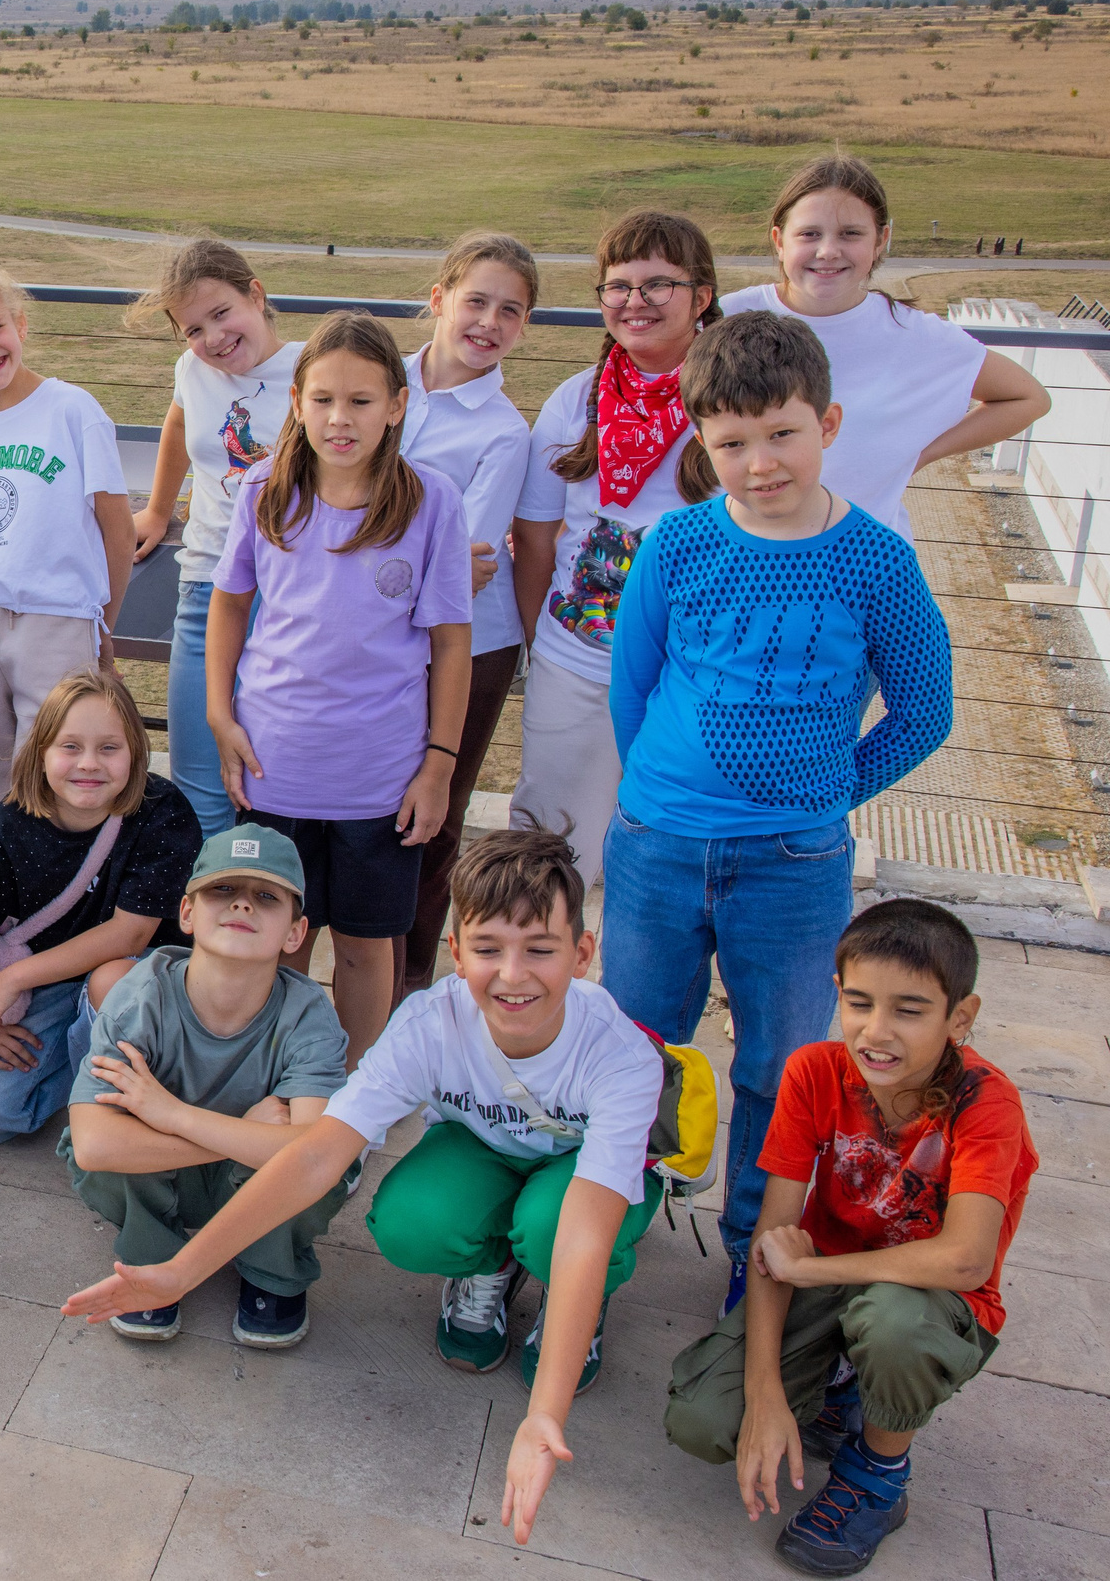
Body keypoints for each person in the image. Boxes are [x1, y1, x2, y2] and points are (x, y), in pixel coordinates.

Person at [64, 830, 666, 1550]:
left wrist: (544, 1416)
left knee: (550, 1229)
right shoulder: (428, 1023)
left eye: (540, 949)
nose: (512, 975)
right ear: (455, 949)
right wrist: (178, 1274)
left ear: (583, 953)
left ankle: (575, 1310)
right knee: (411, 1220)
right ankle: (488, 1269)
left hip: (576, 1177)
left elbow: (585, 1232)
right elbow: (316, 1158)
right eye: (487, 948)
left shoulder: (622, 1055)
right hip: (487, 1151)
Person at [604, 310, 954, 1308]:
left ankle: (756, 1257)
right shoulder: (674, 543)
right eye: (731, 444)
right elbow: (633, 690)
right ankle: (606, 1232)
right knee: (636, 1045)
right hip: (656, 845)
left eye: (781, 434)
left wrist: (824, 793)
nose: (760, 463)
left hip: (792, 863)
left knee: (783, 1061)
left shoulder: (874, 559)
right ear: (702, 445)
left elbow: (923, 711)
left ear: (828, 422)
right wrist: (658, 795)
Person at [665, 899, 1035, 1578]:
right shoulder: (813, 1070)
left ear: (961, 1017)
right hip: (829, 1283)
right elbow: (777, 1241)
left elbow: (965, 1258)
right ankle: (838, 1392)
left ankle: (879, 1476)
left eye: (909, 1010)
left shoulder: (987, 1103)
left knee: (892, 1322)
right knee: (702, 1420)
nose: (877, 1030)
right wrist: (766, 1395)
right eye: (859, 1003)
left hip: (932, 1302)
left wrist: (815, 1273)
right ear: (836, 994)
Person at [208, 312, 472, 1054]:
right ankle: (275, 1080)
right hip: (275, 767)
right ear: (296, 402)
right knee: (277, 940)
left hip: (379, 778)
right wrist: (218, 715)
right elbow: (229, 604)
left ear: (398, 405)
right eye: (323, 399)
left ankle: (354, 1099)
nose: (340, 418)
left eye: (361, 401)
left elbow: (452, 643)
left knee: (365, 943)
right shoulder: (266, 489)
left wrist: (439, 765)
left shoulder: (432, 504)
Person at [63, 823, 351, 1348]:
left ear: (295, 932)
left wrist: (174, 1114)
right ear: (187, 913)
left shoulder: (310, 1014)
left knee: (324, 1169)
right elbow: (93, 1143)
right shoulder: (141, 996)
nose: (242, 906)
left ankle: (274, 1272)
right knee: (114, 1150)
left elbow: (317, 1151)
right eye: (222, 890)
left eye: (266, 897)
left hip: (251, 1179)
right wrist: (238, 1132)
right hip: (187, 1167)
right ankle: (152, 1258)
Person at [508, 208, 722, 890]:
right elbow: (538, 542)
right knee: (550, 847)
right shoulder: (576, 402)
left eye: (658, 284)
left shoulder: (733, 400)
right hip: (578, 662)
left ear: (703, 296)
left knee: (669, 859)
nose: (636, 302)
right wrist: (546, 646)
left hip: (694, 672)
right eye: (618, 286)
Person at [0, 669, 202, 1148]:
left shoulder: (162, 810)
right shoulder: (7, 830)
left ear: (135, 752)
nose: (89, 763)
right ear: (40, 753)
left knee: (110, 980)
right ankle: (79, 1072)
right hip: (48, 988)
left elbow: (130, 935)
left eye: (109, 748)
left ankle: (120, 1100)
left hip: (140, 986)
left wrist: (11, 979)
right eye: (70, 746)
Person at [721, 154, 1048, 540]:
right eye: (809, 234)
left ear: (881, 241)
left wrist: (921, 454)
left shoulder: (915, 335)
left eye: (850, 234)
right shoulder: (724, 317)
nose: (828, 251)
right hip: (738, 560)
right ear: (779, 241)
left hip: (865, 568)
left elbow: (1028, 398)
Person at [0, 259, 132, 830]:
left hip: (55, 619)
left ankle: (50, 902)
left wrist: (102, 623)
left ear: (20, 324)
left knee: (52, 769)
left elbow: (118, 527)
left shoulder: (72, 410)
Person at [397, 232, 541, 998]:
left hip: (471, 646)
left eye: (509, 311)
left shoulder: (503, 431)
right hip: (374, 638)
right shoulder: (379, 384)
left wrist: (358, 557)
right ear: (439, 299)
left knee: (436, 813)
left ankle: (410, 976)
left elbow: (468, 561)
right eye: (476, 301)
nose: (489, 321)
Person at [127, 239, 304, 836]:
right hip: (205, 588)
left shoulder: (316, 370)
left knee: (276, 783)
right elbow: (178, 423)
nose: (212, 339)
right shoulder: (193, 370)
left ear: (255, 293)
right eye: (193, 329)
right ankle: (207, 925)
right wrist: (156, 510)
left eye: (221, 313)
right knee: (199, 785)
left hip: (291, 601)